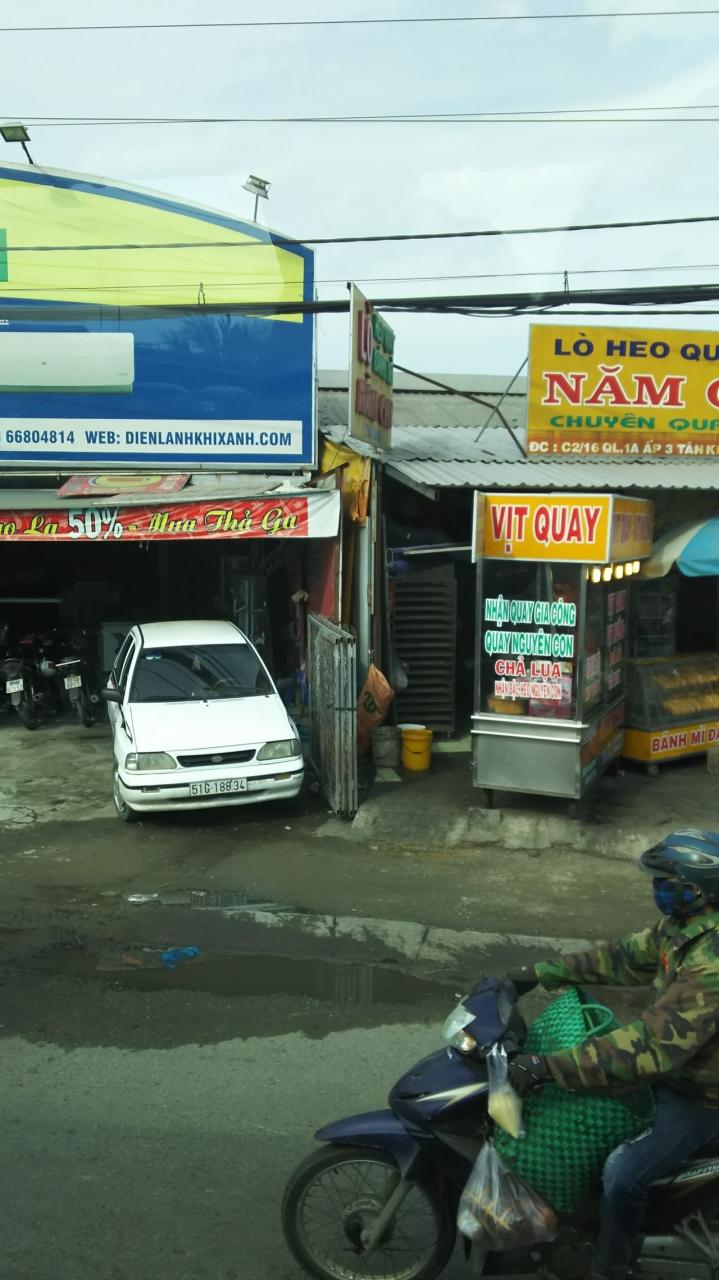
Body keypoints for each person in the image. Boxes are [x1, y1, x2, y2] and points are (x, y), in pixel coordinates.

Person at [505, 829, 719, 1280]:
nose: (656, 889)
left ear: (697, 889)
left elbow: (653, 1047)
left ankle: (609, 1268)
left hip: (700, 1096)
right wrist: (538, 973)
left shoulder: (712, 963)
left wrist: (550, 1066)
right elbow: (622, 957)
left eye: (665, 882)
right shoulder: (681, 928)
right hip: (674, 1073)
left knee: (623, 1174)